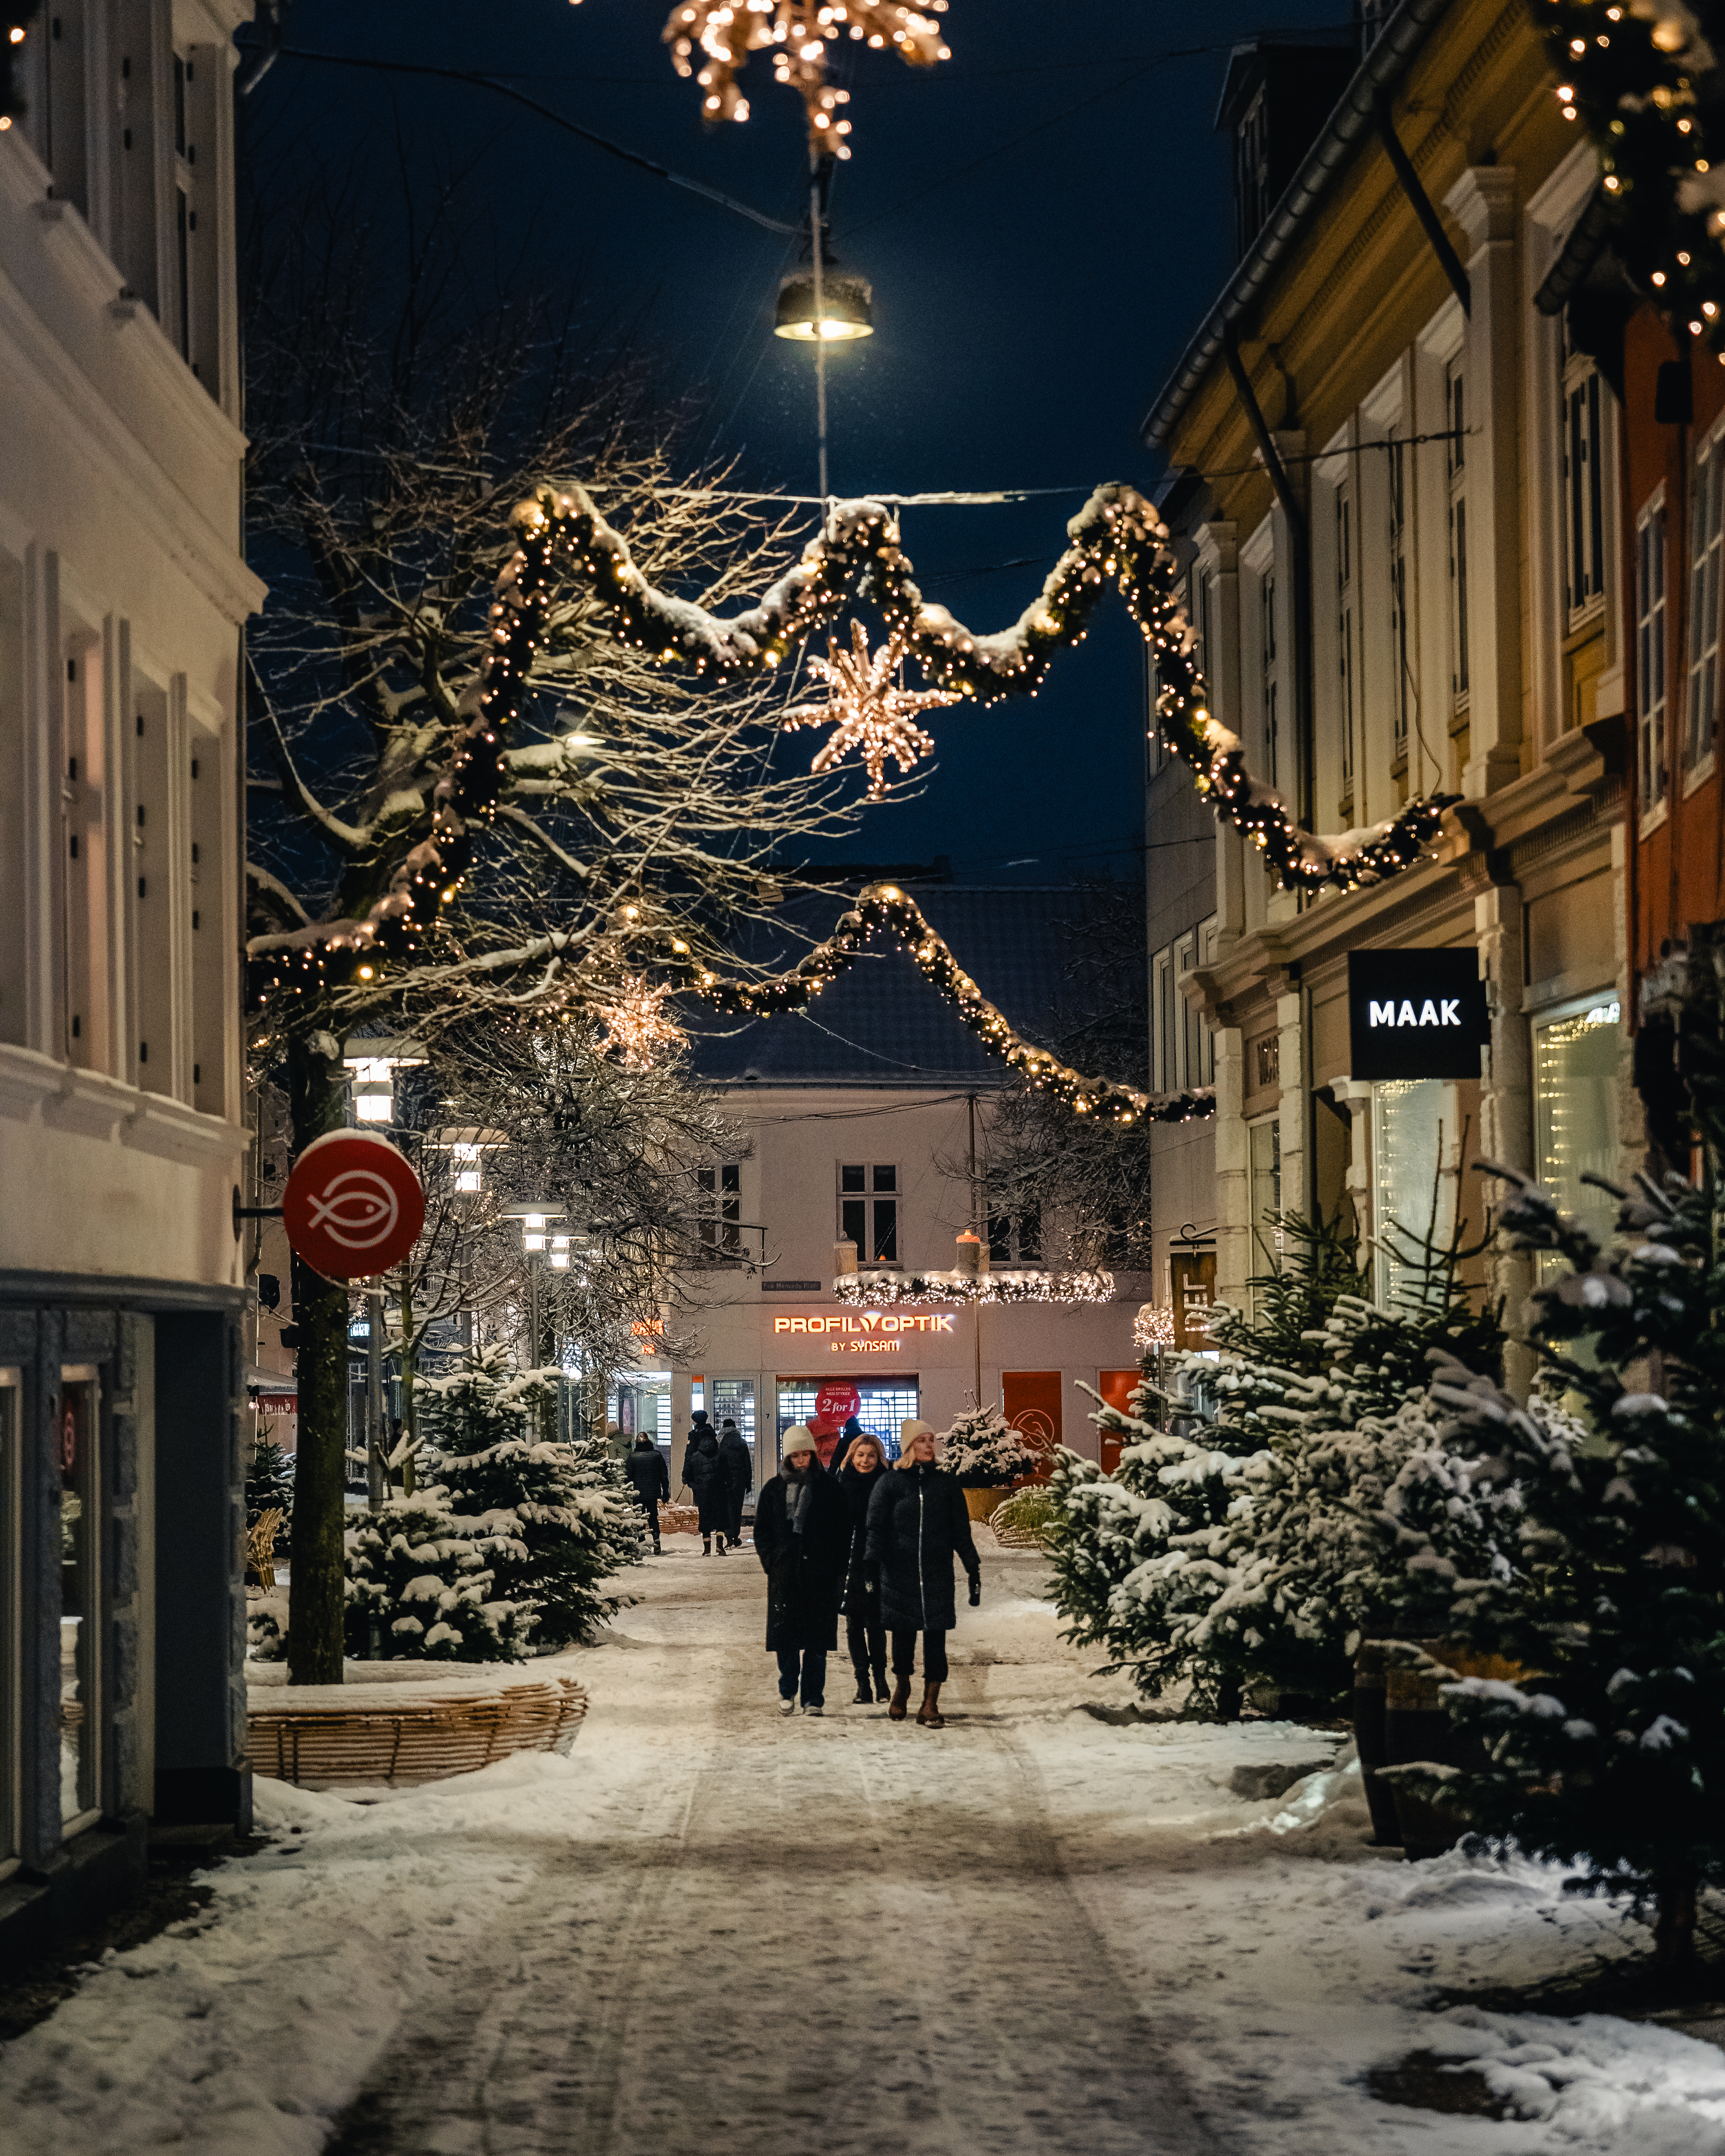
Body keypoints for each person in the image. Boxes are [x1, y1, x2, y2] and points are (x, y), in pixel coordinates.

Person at [864, 1417, 981, 1729]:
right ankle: (902, 1686)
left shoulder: (945, 1483)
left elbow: (960, 1530)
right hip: (898, 1572)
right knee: (902, 1636)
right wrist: (870, 1565)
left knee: (935, 1637)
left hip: (936, 1572)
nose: (930, 1445)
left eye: (931, 1440)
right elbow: (875, 1527)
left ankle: (931, 1703)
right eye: (922, 1440)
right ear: (908, 1447)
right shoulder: (889, 1483)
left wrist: (972, 1566)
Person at [753, 1425, 848, 1715]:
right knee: (787, 1638)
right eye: (796, 1454)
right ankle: (787, 1690)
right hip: (785, 1573)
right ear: (788, 1456)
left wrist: (835, 1566)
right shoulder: (774, 1488)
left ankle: (813, 1698)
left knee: (817, 1640)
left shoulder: (830, 1488)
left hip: (820, 1574)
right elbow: (762, 1530)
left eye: (806, 1453)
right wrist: (772, 1560)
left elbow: (842, 1531)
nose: (802, 1459)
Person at [836, 1434, 890, 1703]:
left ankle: (881, 1680)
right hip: (849, 1563)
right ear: (852, 1456)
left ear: (879, 1457)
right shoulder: (841, 1484)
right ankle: (863, 1684)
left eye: (871, 1455)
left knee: (875, 1623)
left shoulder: (888, 1483)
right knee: (853, 1624)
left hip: (878, 1561)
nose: (865, 1461)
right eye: (860, 1455)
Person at [683, 1411, 728, 1554]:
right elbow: (726, 1470)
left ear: (695, 1420)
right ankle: (720, 1545)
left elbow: (688, 1459)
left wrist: (688, 1480)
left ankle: (707, 1549)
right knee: (720, 1514)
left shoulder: (694, 1442)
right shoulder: (716, 1443)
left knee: (705, 1514)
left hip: (701, 1484)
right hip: (718, 1486)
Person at [624, 1432, 670, 1553]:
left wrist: (627, 1492)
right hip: (652, 1492)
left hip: (637, 1494)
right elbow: (664, 1475)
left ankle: (642, 1541)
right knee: (653, 1517)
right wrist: (666, 1491)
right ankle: (656, 1539)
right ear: (649, 1441)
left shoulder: (632, 1457)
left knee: (639, 1518)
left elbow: (628, 1477)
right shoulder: (657, 1455)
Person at [717, 1416, 752, 1549]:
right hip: (739, 1479)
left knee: (726, 1508)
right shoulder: (742, 1443)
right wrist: (748, 1483)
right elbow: (747, 1465)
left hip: (725, 1479)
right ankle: (735, 1535)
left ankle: (728, 1536)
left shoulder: (721, 1443)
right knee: (737, 1509)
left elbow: (718, 1463)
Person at [828, 1413, 865, 1477]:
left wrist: (831, 1475)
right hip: (863, 1472)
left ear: (847, 1428)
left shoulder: (844, 1441)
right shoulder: (865, 1439)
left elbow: (836, 1460)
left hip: (845, 1473)